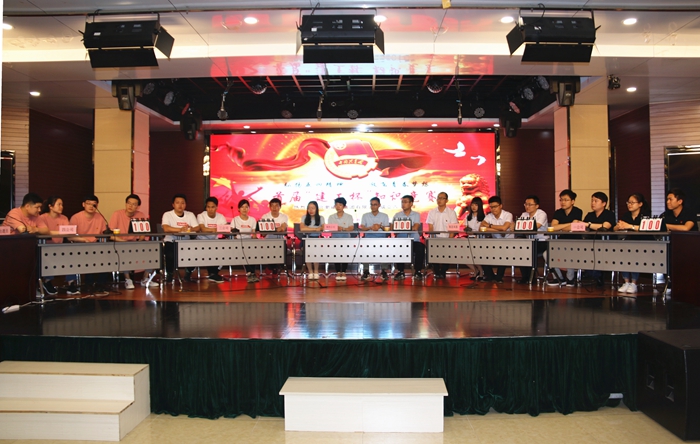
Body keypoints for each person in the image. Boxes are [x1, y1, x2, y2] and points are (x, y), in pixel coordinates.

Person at [109, 194, 158, 289]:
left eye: (134, 204)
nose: (130, 206)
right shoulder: (117, 214)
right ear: (125, 204)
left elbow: (143, 232)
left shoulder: (140, 215)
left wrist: (140, 241)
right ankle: (128, 279)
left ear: (137, 206)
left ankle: (145, 278)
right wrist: (124, 242)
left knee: (153, 252)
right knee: (124, 251)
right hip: (121, 242)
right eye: (129, 203)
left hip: (136, 242)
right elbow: (111, 235)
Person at [37, 196, 79, 295]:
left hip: (60, 247)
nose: (61, 207)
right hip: (46, 248)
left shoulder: (64, 218)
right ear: (50, 206)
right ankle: (47, 281)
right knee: (48, 258)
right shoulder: (42, 218)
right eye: (59, 204)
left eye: (62, 205)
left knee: (71, 256)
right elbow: (44, 232)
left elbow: (68, 233)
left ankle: (71, 283)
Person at [614, 193, 651, 294]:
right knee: (623, 258)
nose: (629, 205)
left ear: (640, 204)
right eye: (628, 202)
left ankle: (634, 283)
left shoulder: (645, 215)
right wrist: (619, 226)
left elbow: (646, 228)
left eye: (632, 202)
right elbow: (616, 227)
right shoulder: (626, 215)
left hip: (642, 244)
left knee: (635, 259)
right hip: (627, 243)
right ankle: (626, 282)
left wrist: (630, 226)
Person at [578, 192, 616, 287]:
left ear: (604, 203)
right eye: (592, 201)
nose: (593, 203)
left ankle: (597, 276)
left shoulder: (609, 214)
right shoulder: (590, 215)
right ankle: (590, 274)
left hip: (606, 244)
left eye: (596, 201)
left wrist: (589, 224)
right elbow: (583, 226)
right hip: (590, 243)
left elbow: (605, 226)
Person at [162, 194, 200, 283]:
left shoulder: (190, 215)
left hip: (185, 242)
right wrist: (180, 229)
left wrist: (190, 229)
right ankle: (170, 275)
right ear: (173, 204)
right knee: (170, 255)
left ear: (185, 205)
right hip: (171, 241)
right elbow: (166, 228)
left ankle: (188, 274)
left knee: (195, 253)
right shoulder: (167, 214)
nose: (180, 205)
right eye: (177, 203)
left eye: (182, 203)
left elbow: (197, 228)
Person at [550, 189, 584, 286]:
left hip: (575, 242)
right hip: (561, 242)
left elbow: (573, 227)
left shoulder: (577, 211)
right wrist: (569, 224)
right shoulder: (558, 212)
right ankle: (558, 278)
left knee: (570, 252)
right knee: (547, 254)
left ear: (572, 201)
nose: (563, 202)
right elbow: (553, 227)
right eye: (561, 200)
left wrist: (561, 227)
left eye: (566, 200)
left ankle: (570, 278)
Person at [479, 196, 513, 283]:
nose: (493, 209)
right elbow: (481, 228)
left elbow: (504, 228)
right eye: (491, 207)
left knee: (504, 253)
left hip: (508, 243)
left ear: (501, 206)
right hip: (495, 242)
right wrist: (499, 229)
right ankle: (490, 276)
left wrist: (489, 226)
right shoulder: (489, 216)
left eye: (495, 206)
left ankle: (499, 277)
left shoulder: (507, 215)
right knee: (482, 252)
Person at [516, 195, 548, 285]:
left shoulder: (541, 214)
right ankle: (525, 277)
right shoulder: (524, 214)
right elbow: (518, 227)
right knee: (520, 251)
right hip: (529, 241)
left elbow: (535, 226)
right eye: (526, 204)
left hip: (542, 241)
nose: (527, 206)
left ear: (537, 206)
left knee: (529, 251)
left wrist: (522, 226)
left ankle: (531, 277)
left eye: (530, 204)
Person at [426, 192, 459, 279]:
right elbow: (430, 227)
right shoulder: (432, 212)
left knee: (448, 252)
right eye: (438, 198)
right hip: (435, 239)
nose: (439, 200)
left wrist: (450, 241)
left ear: (446, 200)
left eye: (442, 198)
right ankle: (436, 271)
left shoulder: (451, 212)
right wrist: (432, 240)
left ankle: (443, 271)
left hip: (447, 238)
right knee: (432, 251)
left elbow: (453, 228)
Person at [392, 195, 425, 280]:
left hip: (414, 240)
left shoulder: (416, 214)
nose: (403, 204)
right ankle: (400, 272)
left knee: (420, 248)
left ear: (411, 204)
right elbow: (394, 229)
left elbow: (415, 227)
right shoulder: (397, 215)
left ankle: (418, 271)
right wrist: (408, 227)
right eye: (402, 202)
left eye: (405, 202)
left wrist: (401, 227)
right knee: (397, 248)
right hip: (401, 240)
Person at [197, 196, 228, 283]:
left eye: (213, 207)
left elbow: (225, 229)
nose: (210, 209)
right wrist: (216, 229)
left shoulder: (221, 217)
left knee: (226, 251)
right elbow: (203, 229)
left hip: (215, 241)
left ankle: (214, 274)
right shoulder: (201, 216)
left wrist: (212, 230)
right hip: (201, 241)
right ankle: (213, 274)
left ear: (216, 207)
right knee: (210, 251)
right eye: (208, 207)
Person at [359, 197, 391, 281]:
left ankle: (384, 271)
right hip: (368, 238)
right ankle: (366, 271)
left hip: (381, 238)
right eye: (371, 205)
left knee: (385, 249)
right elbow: (362, 228)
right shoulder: (365, 215)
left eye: (375, 205)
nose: (373, 206)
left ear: (379, 205)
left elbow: (387, 229)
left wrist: (380, 226)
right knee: (364, 249)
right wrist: (371, 227)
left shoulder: (384, 216)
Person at [231, 199, 259, 283]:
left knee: (253, 253)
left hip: (249, 241)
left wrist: (255, 241)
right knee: (245, 253)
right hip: (239, 242)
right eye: (242, 207)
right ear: (238, 209)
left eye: (246, 207)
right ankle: (251, 273)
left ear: (249, 209)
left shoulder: (252, 220)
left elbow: (254, 234)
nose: (244, 209)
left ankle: (251, 273)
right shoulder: (235, 220)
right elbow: (233, 234)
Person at [327, 197, 355, 281]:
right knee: (336, 255)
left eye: (340, 205)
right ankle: (338, 271)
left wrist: (342, 228)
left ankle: (344, 271)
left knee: (345, 255)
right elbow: (329, 228)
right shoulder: (331, 217)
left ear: (344, 206)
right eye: (336, 205)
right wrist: (336, 228)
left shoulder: (349, 217)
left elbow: (351, 228)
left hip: (346, 239)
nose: (338, 206)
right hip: (335, 239)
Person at [259, 197, 289, 275]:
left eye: (276, 205)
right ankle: (273, 268)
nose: (274, 208)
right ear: (269, 207)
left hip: (280, 240)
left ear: (280, 207)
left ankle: (275, 268)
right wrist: (276, 229)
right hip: (268, 240)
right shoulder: (265, 216)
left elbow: (282, 228)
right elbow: (263, 232)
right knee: (269, 250)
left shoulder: (284, 216)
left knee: (282, 250)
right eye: (272, 205)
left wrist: (270, 229)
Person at [299, 201, 325, 280]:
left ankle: (316, 271)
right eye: (309, 208)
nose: (311, 210)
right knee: (308, 254)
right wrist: (315, 229)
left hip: (316, 239)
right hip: (306, 238)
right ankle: (310, 272)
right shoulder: (304, 217)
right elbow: (302, 229)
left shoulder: (321, 218)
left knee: (316, 255)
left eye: (313, 208)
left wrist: (309, 229)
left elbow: (322, 228)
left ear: (317, 209)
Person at [463, 197, 485, 280]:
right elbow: (465, 228)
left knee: (476, 257)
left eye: (476, 205)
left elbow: (483, 230)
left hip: (479, 240)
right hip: (469, 239)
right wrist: (467, 230)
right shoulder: (468, 217)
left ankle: (481, 272)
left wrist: (475, 233)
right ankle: (476, 270)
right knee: (465, 257)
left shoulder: (484, 217)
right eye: (472, 205)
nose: (473, 207)